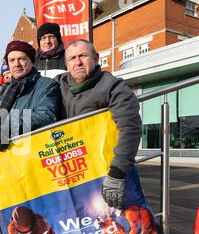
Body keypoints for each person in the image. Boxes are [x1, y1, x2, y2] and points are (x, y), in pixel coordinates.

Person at [56, 39, 142, 208]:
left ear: (96, 59)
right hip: (70, 171)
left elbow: (130, 127)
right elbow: (35, 109)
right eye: (72, 58)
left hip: (104, 171)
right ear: (67, 64)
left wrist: (117, 173)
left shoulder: (113, 87)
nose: (78, 62)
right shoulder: (57, 86)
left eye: (83, 56)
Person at [0, 40, 62, 150]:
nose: (16, 64)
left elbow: (46, 116)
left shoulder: (47, 85)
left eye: (21, 59)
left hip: (41, 151)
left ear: (31, 61)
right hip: (14, 155)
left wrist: (11, 127)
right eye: (11, 60)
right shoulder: (5, 93)